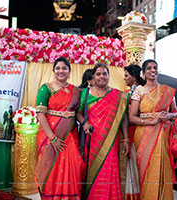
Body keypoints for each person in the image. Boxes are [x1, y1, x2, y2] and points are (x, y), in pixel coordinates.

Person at [76, 63, 130, 200]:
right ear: (93, 76)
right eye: (98, 74)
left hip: (111, 140)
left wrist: (126, 139)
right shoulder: (85, 94)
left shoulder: (118, 95)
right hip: (92, 139)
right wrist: (84, 123)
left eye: (104, 74)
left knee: (110, 169)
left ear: (108, 76)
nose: (101, 77)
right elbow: (78, 112)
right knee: (92, 171)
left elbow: (123, 118)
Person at [35, 57, 84, 200]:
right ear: (53, 71)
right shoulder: (46, 88)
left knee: (73, 164)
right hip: (50, 133)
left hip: (71, 134)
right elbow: (40, 115)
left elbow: (79, 113)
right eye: (58, 68)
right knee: (52, 167)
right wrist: (53, 138)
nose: (61, 71)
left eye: (64, 68)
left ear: (69, 72)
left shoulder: (76, 91)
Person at [129, 59, 177, 199]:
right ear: (143, 73)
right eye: (149, 68)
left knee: (162, 167)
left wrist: (168, 115)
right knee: (145, 169)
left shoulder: (167, 91)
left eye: (155, 68)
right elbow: (132, 117)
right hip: (144, 135)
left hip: (163, 134)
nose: (152, 70)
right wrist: (150, 121)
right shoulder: (139, 91)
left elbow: (176, 113)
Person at [123, 64, 145, 199]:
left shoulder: (142, 91)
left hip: (139, 132)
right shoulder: (126, 93)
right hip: (130, 132)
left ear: (134, 77)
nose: (124, 79)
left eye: (126, 76)